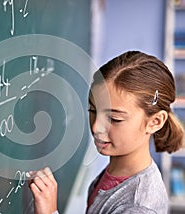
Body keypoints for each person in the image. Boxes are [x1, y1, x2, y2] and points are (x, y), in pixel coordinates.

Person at [28, 51, 184, 214]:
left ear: (155, 122)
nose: (96, 127)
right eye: (92, 110)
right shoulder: (117, 170)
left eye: (114, 118)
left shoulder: (138, 207)